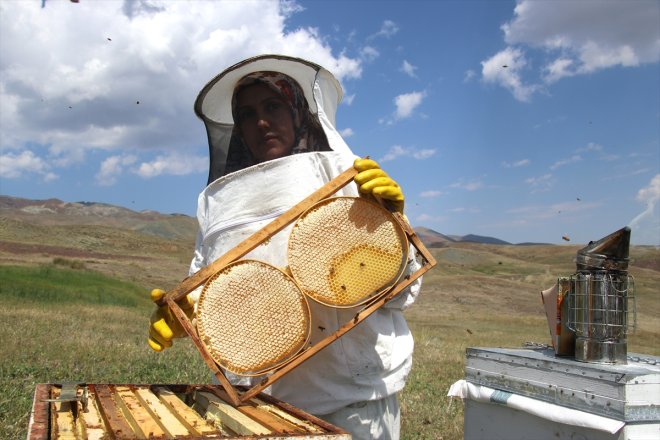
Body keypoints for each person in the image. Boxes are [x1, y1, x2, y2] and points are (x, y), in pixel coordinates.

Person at [148, 55, 422, 440]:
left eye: (272, 106)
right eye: (246, 114)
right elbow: (205, 281)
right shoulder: (218, 202)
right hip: (252, 406)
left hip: (350, 403)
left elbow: (400, 292)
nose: (260, 121)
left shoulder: (346, 176)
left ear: (297, 112)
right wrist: (187, 314)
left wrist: (395, 229)